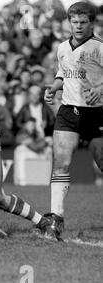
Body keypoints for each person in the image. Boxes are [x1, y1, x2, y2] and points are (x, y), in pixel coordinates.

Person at [44, 2, 103, 240]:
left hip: (97, 113)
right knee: (60, 163)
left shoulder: (99, 48)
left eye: (83, 22)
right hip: (69, 111)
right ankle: (55, 219)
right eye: (74, 22)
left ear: (92, 23)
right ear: (69, 22)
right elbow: (63, 72)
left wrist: (100, 87)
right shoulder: (62, 47)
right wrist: (54, 87)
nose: (78, 26)